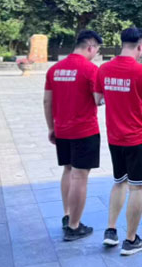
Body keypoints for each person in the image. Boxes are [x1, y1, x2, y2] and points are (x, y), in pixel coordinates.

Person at [94, 27, 142, 255]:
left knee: (119, 182)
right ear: (140, 46)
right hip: (137, 138)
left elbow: (97, 99)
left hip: (115, 138)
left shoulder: (104, 69)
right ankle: (131, 240)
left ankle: (111, 230)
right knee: (137, 187)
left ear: (122, 43)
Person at [43, 30, 103, 241]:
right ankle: (74, 226)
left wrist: (51, 127)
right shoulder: (90, 70)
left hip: (62, 129)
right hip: (84, 130)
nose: (95, 54)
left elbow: (47, 101)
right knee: (80, 175)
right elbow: (98, 99)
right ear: (91, 47)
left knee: (68, 170)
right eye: (97, 50)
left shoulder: (54, 69)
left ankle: (67, 215)